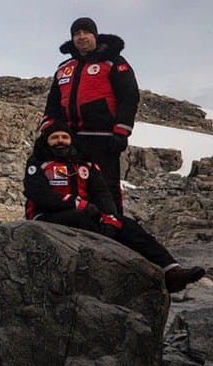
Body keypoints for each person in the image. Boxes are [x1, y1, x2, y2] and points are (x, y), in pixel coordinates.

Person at [24, 123, 205, 292]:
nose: (60, 141)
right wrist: (77, 203)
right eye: (55, 137)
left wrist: (110, 218)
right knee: (82, 219)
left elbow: (102, 193)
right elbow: (38, 193)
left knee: (126, 225)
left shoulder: (85, 164)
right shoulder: (38, 163)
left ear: (71, 140)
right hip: (48, 216)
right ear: (47, 140)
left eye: (64, 137)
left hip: (86, 213)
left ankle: (170, 270)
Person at [40, 17, 139, 216]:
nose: (81, 36)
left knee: (107, 188)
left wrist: (122, 130)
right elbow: (53, 104)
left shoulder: (113, 62)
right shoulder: (63, 68)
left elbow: (129, 96)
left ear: (95, 35)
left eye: (86, 32)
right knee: (75, 186)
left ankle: (114, 227)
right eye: (77, 33)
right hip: (72, 140)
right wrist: (48, 128)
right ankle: (82, 227)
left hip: (105, 139)